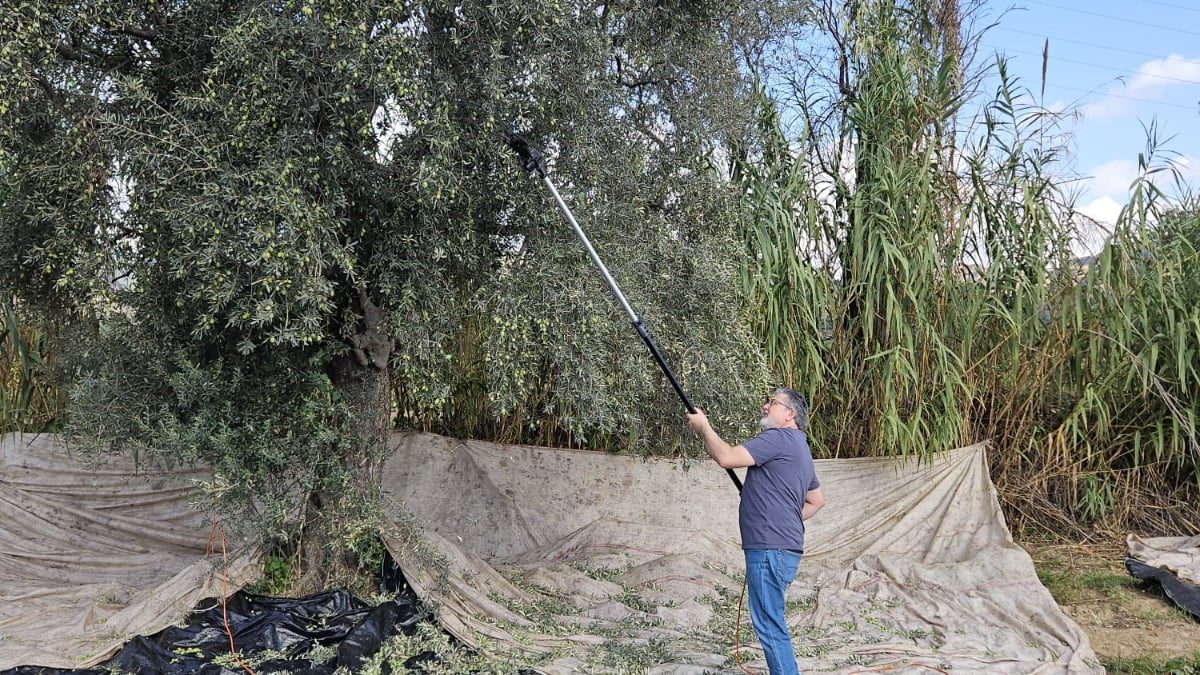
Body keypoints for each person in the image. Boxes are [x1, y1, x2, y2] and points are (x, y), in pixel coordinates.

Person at [686, 387, 825, 675]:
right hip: (783, 548)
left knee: (769, 624)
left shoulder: (778, 437)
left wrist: (704, 427)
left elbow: (726, 457)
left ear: (790, 414)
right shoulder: (800, 446)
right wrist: (780, 514)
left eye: (772, 402)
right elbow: (816, 500)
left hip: (768, 549)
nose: (764, 406)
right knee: (771, 619)